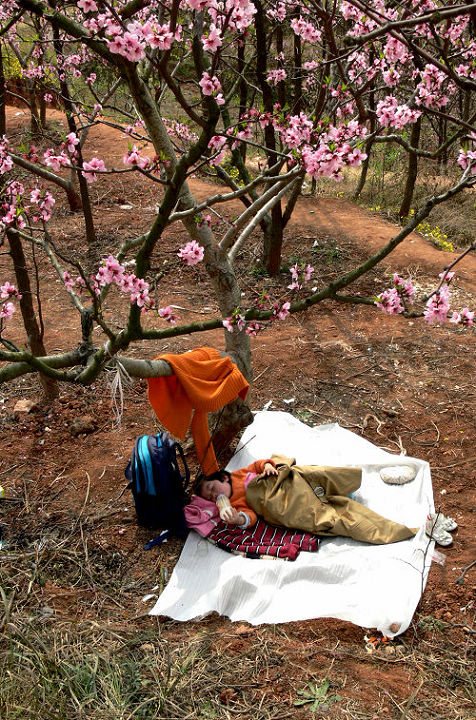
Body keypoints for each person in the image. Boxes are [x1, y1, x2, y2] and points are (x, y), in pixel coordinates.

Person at [196, 456, 418, 545]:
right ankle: (389, 529)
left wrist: (269, 467)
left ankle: (337, 488)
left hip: (286, 481)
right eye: (211, 497)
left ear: (223, 477)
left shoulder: (240, 474)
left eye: (212, 488)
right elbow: (251, 517)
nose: (215, 495)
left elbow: (262, 463)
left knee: (315, 473)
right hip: (282, 502)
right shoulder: (236, 504)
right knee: (324, 517)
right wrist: (238, 519)